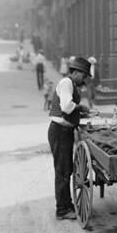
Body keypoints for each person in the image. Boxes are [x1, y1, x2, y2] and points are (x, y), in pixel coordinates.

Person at [47, 57, 91, 220]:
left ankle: (66, 204)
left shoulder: (71, 84)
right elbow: (66, 106)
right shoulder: (67, 83)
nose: (84, 80)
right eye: (84, 76)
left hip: (64, 131)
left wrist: (81, 112)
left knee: (66, 169)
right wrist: (80, 107)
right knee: (62, 171)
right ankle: (62, 209)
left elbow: (69, 107)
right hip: (59, 131)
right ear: (76, 72)